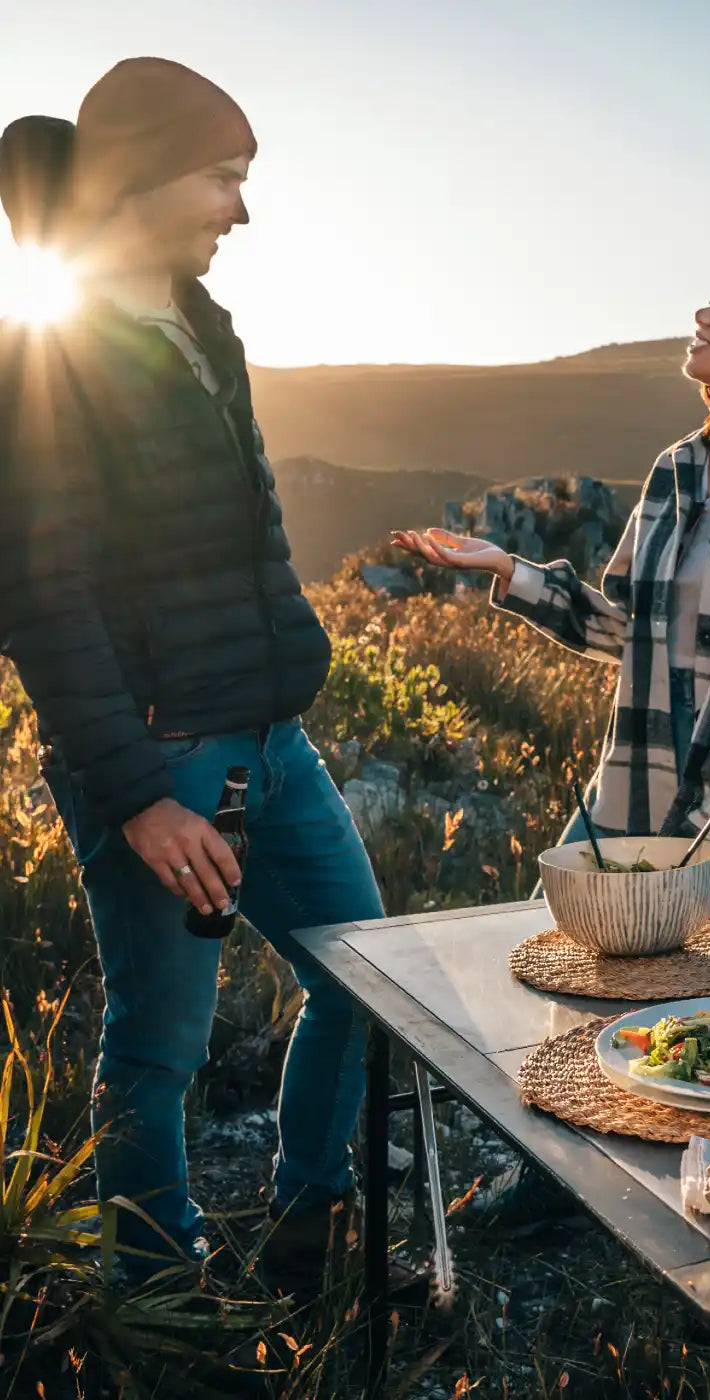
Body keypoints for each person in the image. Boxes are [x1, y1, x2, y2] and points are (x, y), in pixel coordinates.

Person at [0, 60, 385, 1292]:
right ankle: (157, 1302)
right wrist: (137, 798)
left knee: (366, 977)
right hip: (165, 762)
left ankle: (306, 1227)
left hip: (274, 740)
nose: (240, 208)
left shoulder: (204, 328)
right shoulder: (46, 356)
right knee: (158, 1050)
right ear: (143, 177)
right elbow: (43, 598)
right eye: (223, 176)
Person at [396, 253, 710, 876]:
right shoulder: (676, 470)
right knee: (552, 935)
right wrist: (509, 571)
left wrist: (691, 846)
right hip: (631, 798)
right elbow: (629, 632)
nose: (702, 315)